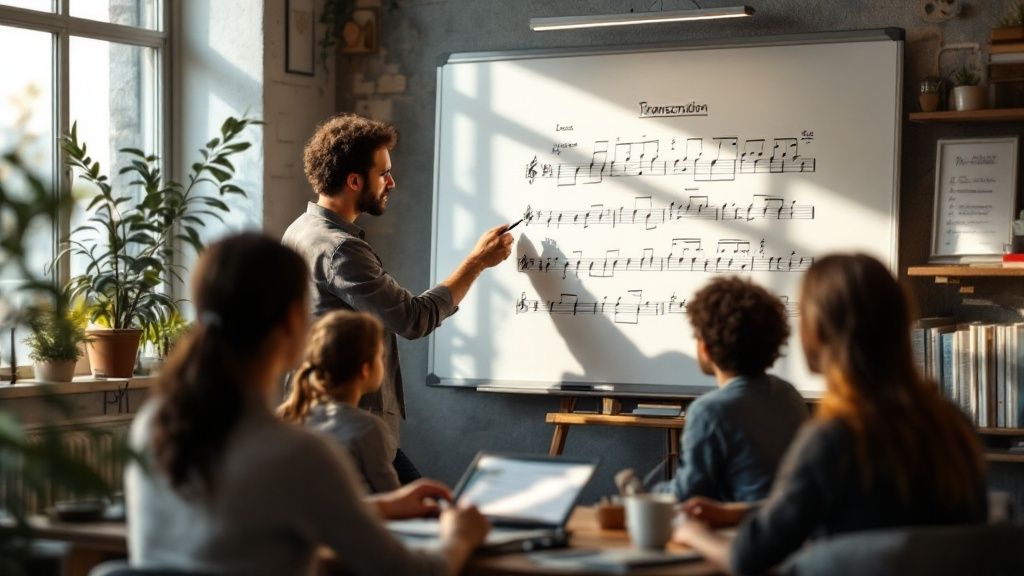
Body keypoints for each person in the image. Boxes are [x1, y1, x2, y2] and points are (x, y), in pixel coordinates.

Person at [125, 233, 489, 576]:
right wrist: (460, 535)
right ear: (293, 320)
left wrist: (381, 507)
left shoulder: (153, 426)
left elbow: (259, 515)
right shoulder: (298, 454)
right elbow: (412, 572)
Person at [672, 254, 987, 574]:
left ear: (818, 333)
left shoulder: (834, 437)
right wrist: (735, 514)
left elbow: (748, 558)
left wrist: (692, 532)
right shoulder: (954, 425)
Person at [282, 113, 513, 483]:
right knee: (426, 519)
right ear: (354, 180)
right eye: (383, 173)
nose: (392, 181)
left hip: (330, 425)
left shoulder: (300, 230)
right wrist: (477, 263)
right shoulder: (341, 250)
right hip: (350, 434)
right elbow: (412, 319)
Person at [617, 276, 807, 503]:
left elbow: (686, 495)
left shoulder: (709, 412)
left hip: (738, 531)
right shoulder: (789, 395)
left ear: (705, 347)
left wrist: (639, 491)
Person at [278, 310, 401, 493]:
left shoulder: (291, 415)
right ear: (365, 369)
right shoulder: (368, 427)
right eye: (381, 357)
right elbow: (392, 494)